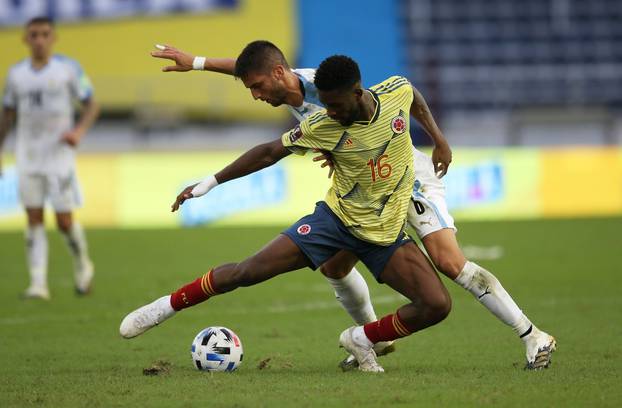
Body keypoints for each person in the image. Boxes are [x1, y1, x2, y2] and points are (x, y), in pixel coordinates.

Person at [150, 40, 557, 370]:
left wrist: (439, 138)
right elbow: (252, 69)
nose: (255, 94)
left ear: (280, 76)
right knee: (335, 266)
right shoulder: (308, 104)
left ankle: (530, 334)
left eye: (257, 86)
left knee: (449, 264)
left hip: (409, 181)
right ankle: (369, 338)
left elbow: (407, 93)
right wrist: (198, 62)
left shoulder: (316, 86)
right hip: (365, 192)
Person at [121, 55, 453, 373]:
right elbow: (268, 152)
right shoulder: (322, 125)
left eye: (335, 105)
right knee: (247, 272)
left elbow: (414, 97)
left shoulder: (395, 91)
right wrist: (210, 182)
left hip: (385, 235)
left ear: (356, 93)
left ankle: (361, 338)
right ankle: (168, 305)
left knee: (437, 305)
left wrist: (438, 139)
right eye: (325, 104)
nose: (330, 112)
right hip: (335, 223)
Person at [0, 17, 99, 299]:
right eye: (34, 35)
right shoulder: (16, 74)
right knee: (33, 218)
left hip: (59, 157)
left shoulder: (68, 69)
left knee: (64, 221)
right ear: (25, 39)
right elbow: (7, 114)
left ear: (53, 38)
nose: (39, 40)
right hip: (27, 156)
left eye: (44, 34)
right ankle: (38, 283)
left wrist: (78, 131)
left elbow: (91, 104)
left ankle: (83, 267)